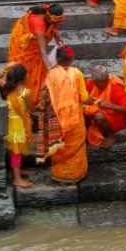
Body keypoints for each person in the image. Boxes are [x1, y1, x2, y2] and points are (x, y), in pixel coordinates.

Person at [36, 46, 88, 184]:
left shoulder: (51, 75)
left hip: (56, 120)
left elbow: (43, 96)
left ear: (57, 59)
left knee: (59, 147)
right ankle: (74, 176)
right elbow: (84, 97)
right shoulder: (77, 74)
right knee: (74, 148)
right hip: (75, 119)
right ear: (72, 59)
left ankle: (61, 179)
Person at [7, 3, 65, 104]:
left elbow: (51, 25)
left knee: (38, 69)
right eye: (53, 21)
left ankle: (35, 94)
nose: (55, 24)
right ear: (47, 15)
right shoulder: (39, 24)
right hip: (24, 46)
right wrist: (51, 71)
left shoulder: (46, 15)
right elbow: (43, 51)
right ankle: (28, 99)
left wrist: (55, 33)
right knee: (26, 71)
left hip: (35, 42)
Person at [0, 63, 34, 188]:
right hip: (19, 126)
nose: (28, 77)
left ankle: (17, 171)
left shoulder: (8, 87)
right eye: (27, 75)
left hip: (11, 123)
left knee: (16, 150)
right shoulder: (25, 93)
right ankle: (17, 179)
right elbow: (32, 109)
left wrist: (6, 66)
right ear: (23, 78)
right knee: (16, 152)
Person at [83, 66, 126, 149]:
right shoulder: (92, 82)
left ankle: (111, 135)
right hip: (97, 113)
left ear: (106, 79)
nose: (95, 85)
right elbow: (82, 95)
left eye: (98, 83)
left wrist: (109, 105)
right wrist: (92, 102)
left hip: (114, 118)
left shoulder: (116, 89)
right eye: (94, 82)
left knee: (98, 116)